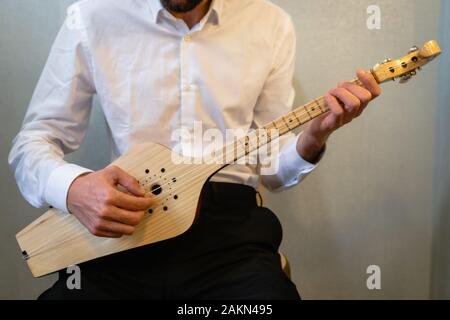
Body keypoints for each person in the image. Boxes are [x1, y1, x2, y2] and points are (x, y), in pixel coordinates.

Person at [9, 0, 381, 299]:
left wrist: (313, 136)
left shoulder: (270, 23)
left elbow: (272, 170)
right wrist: (73, 189)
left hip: (230, 240)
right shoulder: (91, 16)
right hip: (126, 234)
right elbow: (33, 141)